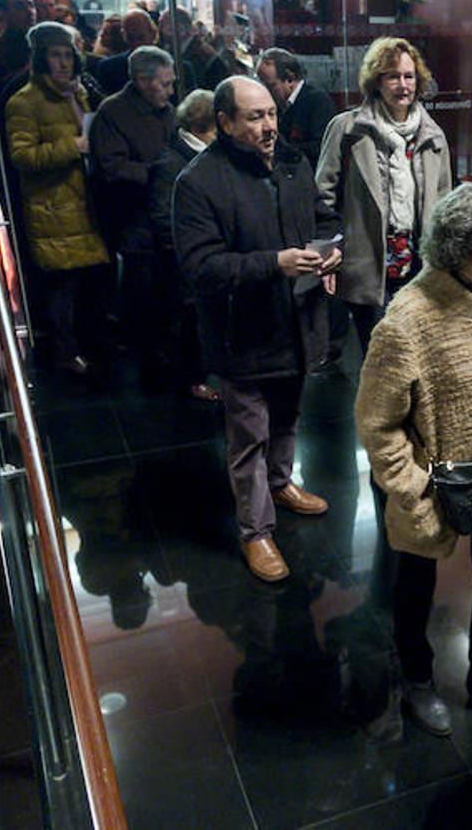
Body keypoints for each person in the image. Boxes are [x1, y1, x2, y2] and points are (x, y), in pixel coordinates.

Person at [355, 183, 472, 738]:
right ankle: (417, 683)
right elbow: (375, 421)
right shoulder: (407, 320)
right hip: (432, 486)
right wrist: (412, 487)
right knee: (414, 588)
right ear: (464, 249)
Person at [173, 76, 342, 583]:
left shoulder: (293, 162)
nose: (269, 126)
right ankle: (255, 531)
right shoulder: (198, 181)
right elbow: (201, 267)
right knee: (249, 433)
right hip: (241, 333)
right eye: (255, 117)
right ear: (224, 122)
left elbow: (324, 216)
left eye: (271, 114)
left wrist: (333, 250)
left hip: (296, 321)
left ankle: (282, 482)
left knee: (288, 417)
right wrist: (276, 263)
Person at [315, 36, 452, 351]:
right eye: (392, 76)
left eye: (409, 76)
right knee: (378, 358)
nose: (402, 84)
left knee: (416, 357)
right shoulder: (347, 129)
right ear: (376, 82)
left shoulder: (433, 136)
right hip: (366, 267)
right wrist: (325, 260)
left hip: (419, 268)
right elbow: (321, 198)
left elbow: (445, 205)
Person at [7, 21, 110, 375]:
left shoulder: (79, 93)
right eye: (55, 55)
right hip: (53, 205)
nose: (63, 63)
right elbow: (22, 156)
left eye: (68, 55)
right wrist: (72, 147)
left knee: (90, 286)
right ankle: (65, 353)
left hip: (87, 199)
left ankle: (91, 346)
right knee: (61, 290)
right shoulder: (24, 101)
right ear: (41, 59)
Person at [89, 45, 176, 383]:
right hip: (134, 216)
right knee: (143, 288)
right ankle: (148, 355)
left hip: (165, 214)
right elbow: (111, 168)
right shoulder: (113, 113)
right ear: (142, 81)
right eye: (164, 84)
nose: (170, 92)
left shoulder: (167, 110)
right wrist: (160, 173)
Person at [147, 89, 218, 402]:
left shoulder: (192, 155)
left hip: (199, 258)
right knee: (189, 322)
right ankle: (192, 379)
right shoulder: (173, 162)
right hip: (185, 263)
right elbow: (164, 218)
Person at [256, 47, 335, 169]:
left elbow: (321, 148)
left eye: (271, 86)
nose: (265, 92)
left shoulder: (317, 101)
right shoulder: (279, 106)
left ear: (290, 79)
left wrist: (279, 152)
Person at [92, 8, 158, 96]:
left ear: (153, 34)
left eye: (140, 37)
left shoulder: (173, 64)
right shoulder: (109, 68)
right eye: (131, 37)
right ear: (123, 36)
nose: (136, 43)